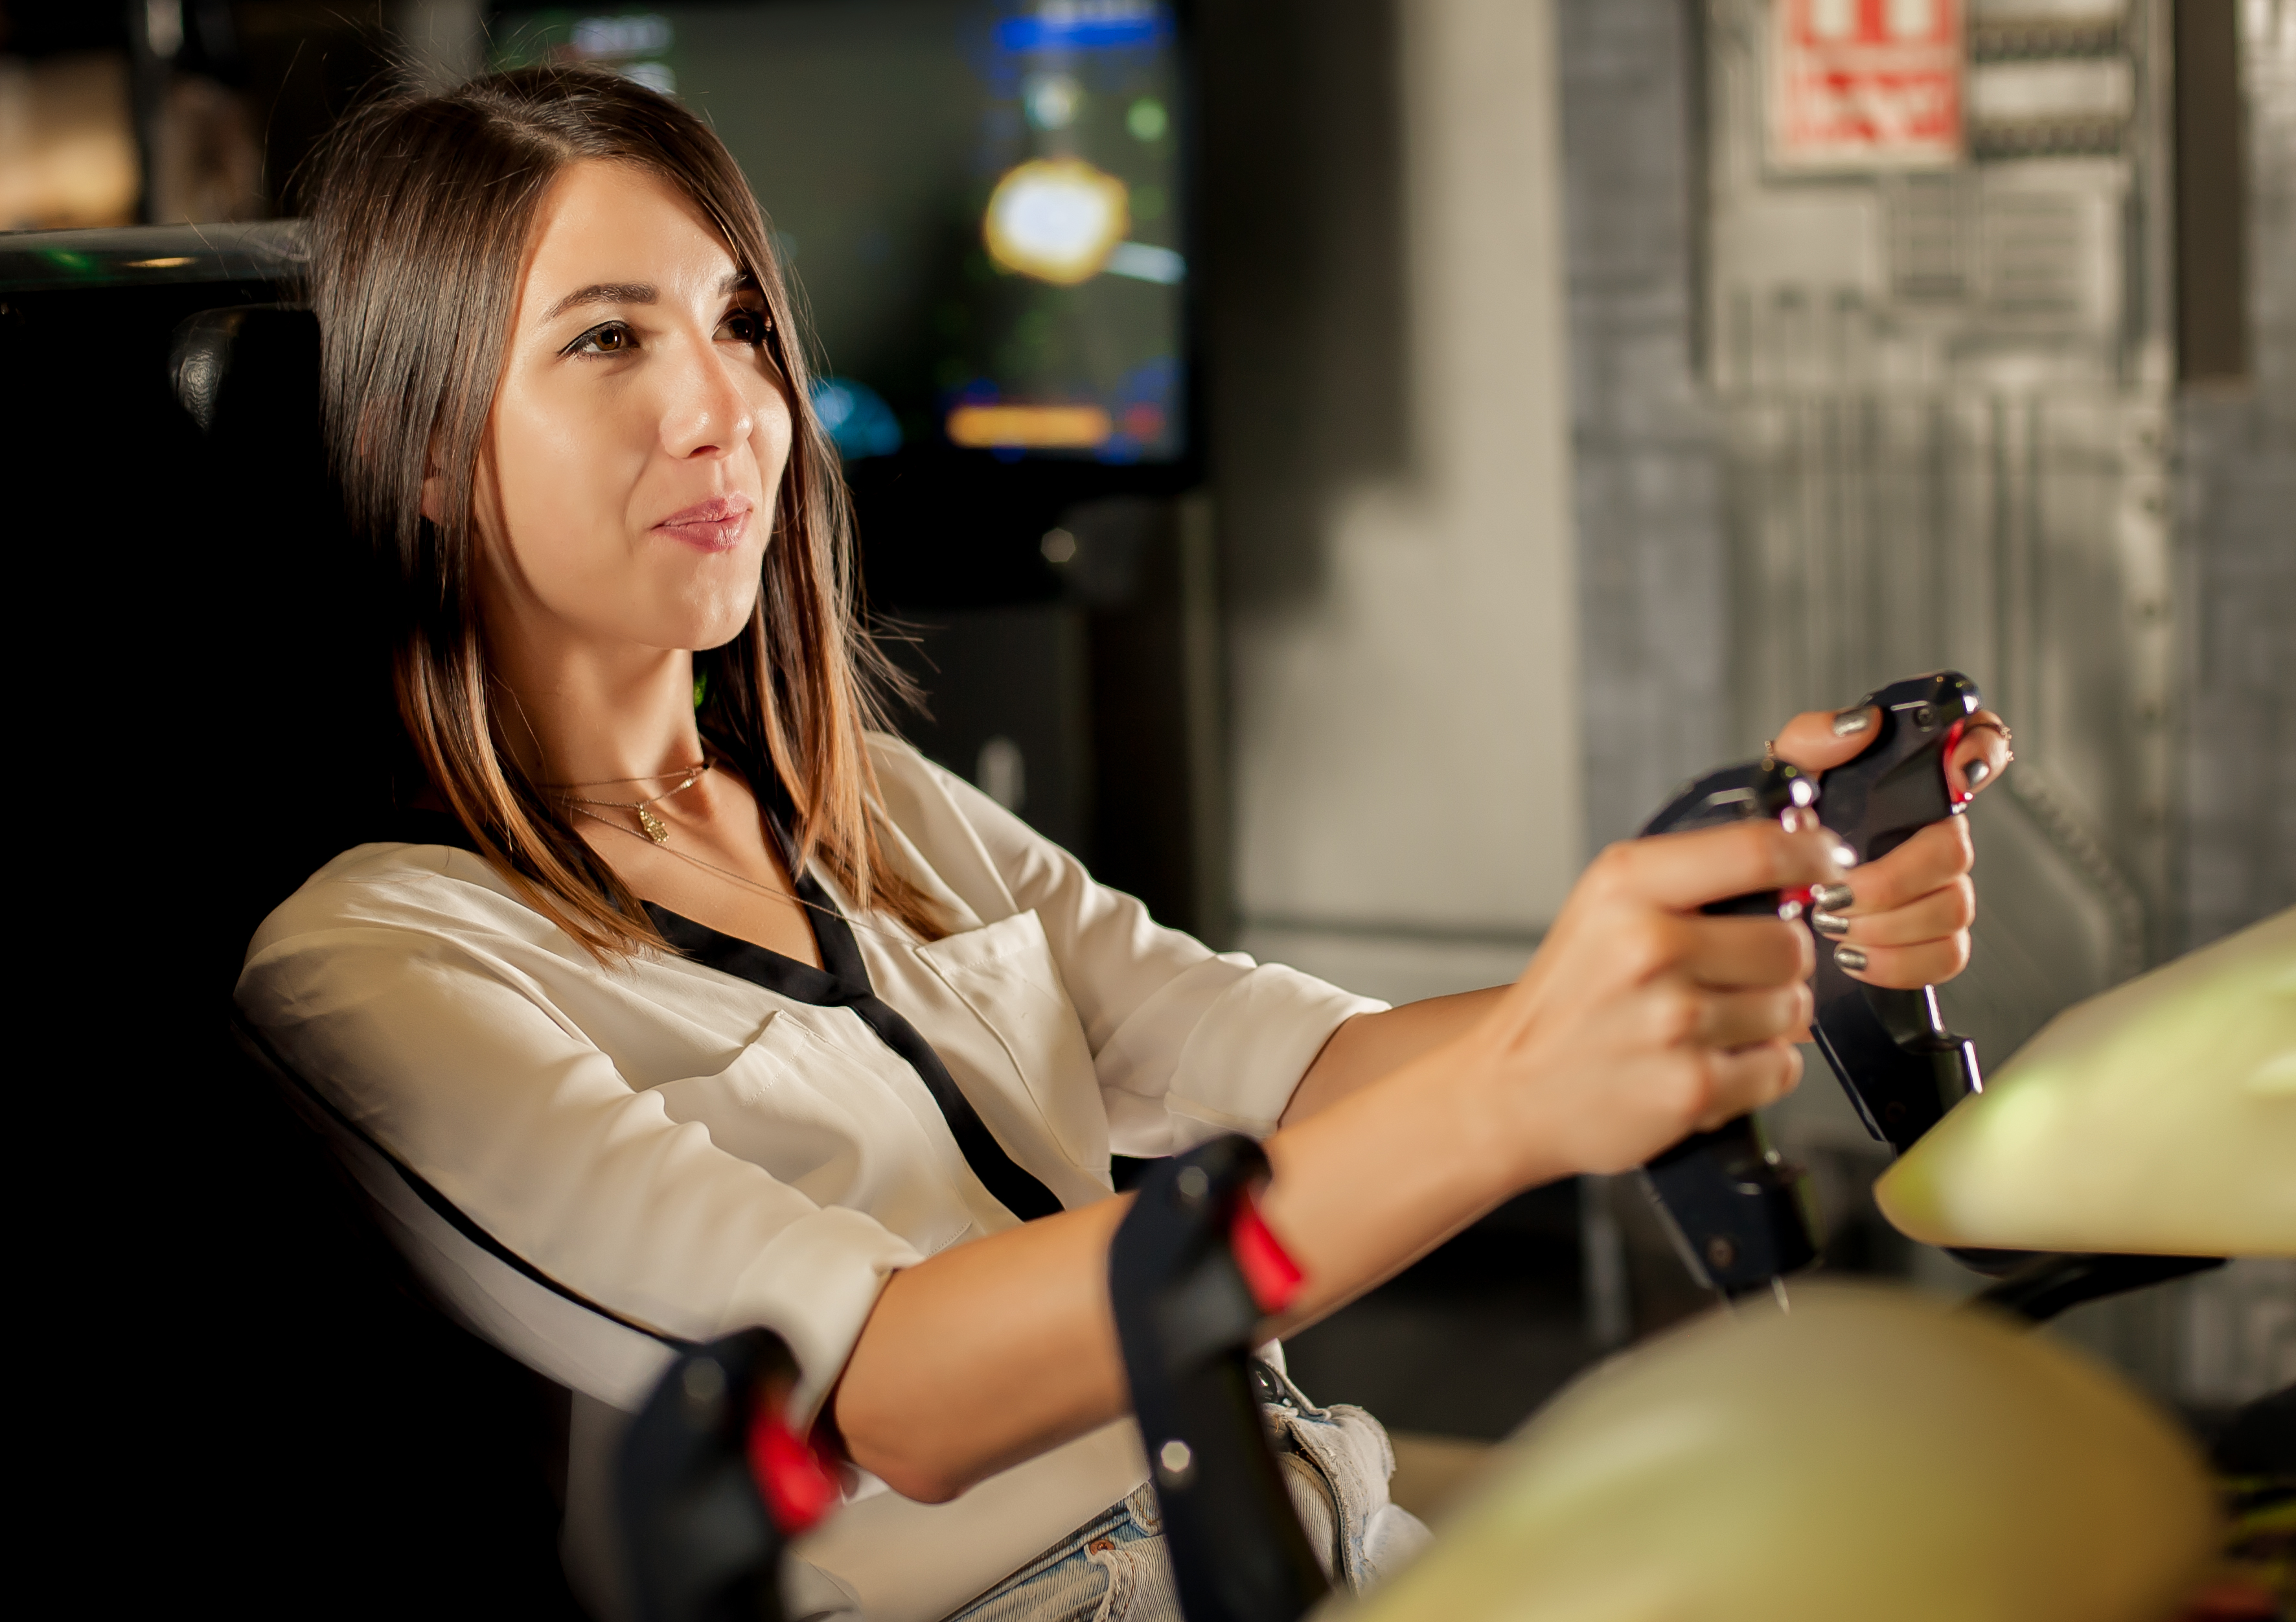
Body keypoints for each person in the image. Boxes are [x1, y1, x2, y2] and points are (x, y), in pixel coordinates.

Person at [236, 66, 2013, 1622]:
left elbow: (1299, 1073)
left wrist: (1769, 893)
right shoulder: (383, 964)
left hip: (1306, 1525)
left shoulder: (866, 807)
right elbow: (886, 1397)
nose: (726, 409)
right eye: (608, 337)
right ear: (428, 451)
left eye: (741, 322)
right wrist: (1527, 1084)